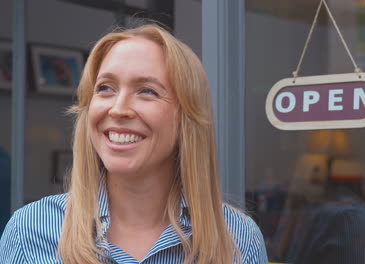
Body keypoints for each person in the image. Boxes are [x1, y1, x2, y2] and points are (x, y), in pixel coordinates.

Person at [0, 24, 268, 264]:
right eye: (105, 88)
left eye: (147, 91)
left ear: (187, 118)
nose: (118, 109)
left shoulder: (238, 238)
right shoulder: (31, 230)